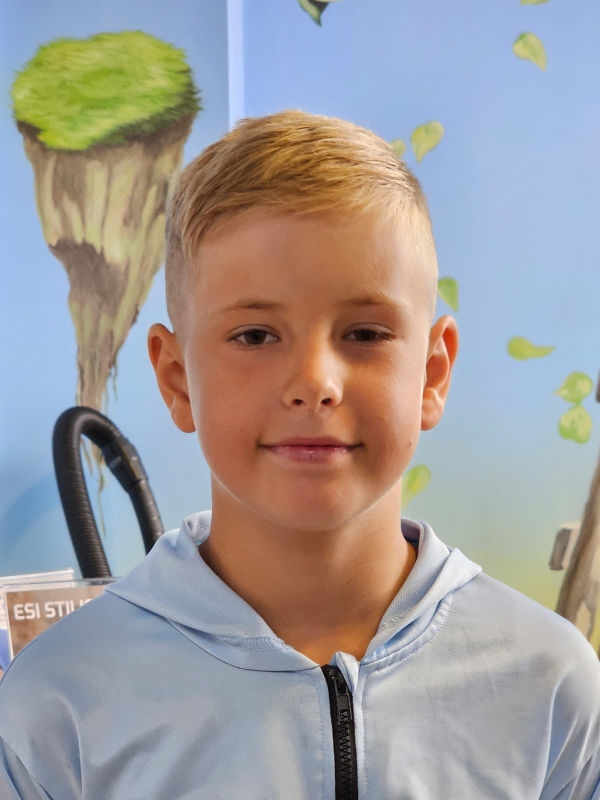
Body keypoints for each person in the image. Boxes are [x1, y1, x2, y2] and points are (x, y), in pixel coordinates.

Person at [0, 110, 599, 799]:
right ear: (177, 378)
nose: (315, 383)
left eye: (365, 333)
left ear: (432, 375)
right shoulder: (58, 704)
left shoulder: (551, 685)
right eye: (255, 336)